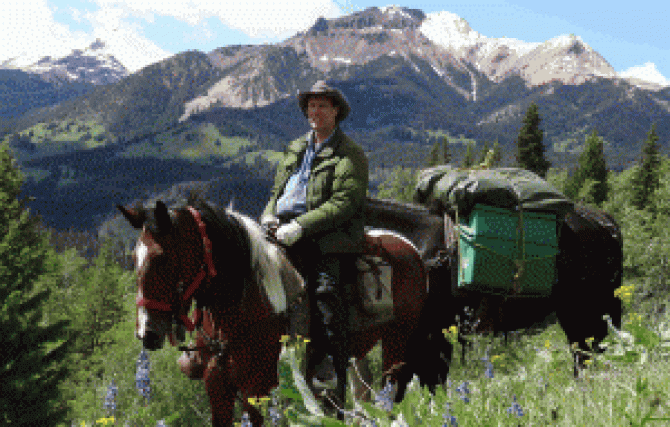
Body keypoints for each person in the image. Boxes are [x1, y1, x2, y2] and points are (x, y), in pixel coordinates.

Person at [260, 80, 368, 391]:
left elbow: (344, 203)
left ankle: (329, 362)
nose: (315, 111)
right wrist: (269, 213)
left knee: (323, 290)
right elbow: (276, 191)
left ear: (336, 111)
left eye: (322, 105)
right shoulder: (296, 147)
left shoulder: (350, 154)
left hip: (329, 235)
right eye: (311, 105)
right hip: (282, 227)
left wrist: (302, 226)